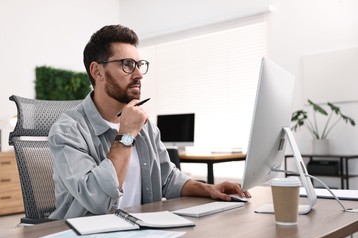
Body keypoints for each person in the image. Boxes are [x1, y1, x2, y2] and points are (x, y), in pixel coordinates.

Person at [48, 24, 251, 219]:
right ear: (97, 71)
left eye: (139, 65)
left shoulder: (144, 127)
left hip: (140, 233)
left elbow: (168, 178)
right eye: (127, 65)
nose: (138, 75)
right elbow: (97, 199)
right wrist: (126, 135)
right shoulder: (67, 130)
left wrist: (208, 189)